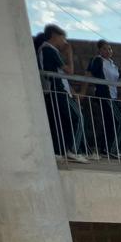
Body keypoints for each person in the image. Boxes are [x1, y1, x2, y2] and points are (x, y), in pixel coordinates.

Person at [35, 25, 89, 163]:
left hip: (55, 90)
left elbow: (60, 75)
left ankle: (59, 151)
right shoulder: (49, 49)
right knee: (78, 117)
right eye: (63, 37)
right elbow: (69, 71)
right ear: (55, 35)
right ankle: (74, 150)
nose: (64, 41)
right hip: (58, 91)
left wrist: (73, 92)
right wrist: (69, 54)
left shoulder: (45, 50)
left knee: (60, 122)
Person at [86, 40, 121, 159]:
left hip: (114, 97)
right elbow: (89, 74)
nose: (108, 51)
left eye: (110, 49)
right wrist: (82, 91)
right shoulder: (98, 60)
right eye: (105, 49)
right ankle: (113, 149)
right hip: (105, 96)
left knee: (111, 123)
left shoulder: (113, 65)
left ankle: (106, 148)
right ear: (99, 50)